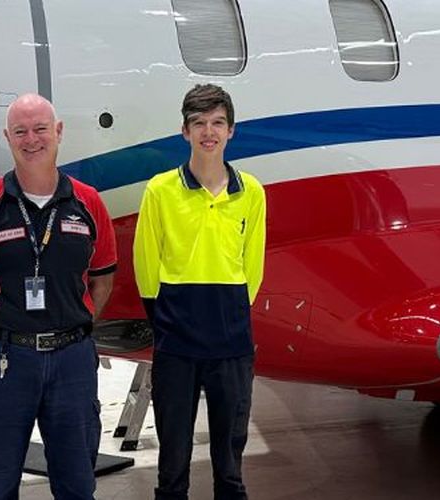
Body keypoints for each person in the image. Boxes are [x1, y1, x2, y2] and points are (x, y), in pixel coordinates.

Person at [0, 93, 117, 500]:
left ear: (58, 132)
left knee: (77, 484)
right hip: (6, 362)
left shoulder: (88, 203)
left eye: (40, 129)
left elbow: (103, 279)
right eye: (20, 131)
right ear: (8, 137)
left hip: (72, 360)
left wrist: (74, 326)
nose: (31, 139)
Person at [133, 84, 267, 500]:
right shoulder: (160, 191)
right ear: (185, 131)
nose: (208, 131)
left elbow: (253, 269)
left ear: (231, 131)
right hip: (177, 347)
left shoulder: (252, 193)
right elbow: (146, 266)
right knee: (173, 464)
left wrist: (227, 316)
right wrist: (170, 322)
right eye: (199, 124)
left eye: (217, 123)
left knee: (230, 465)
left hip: (232, 346)